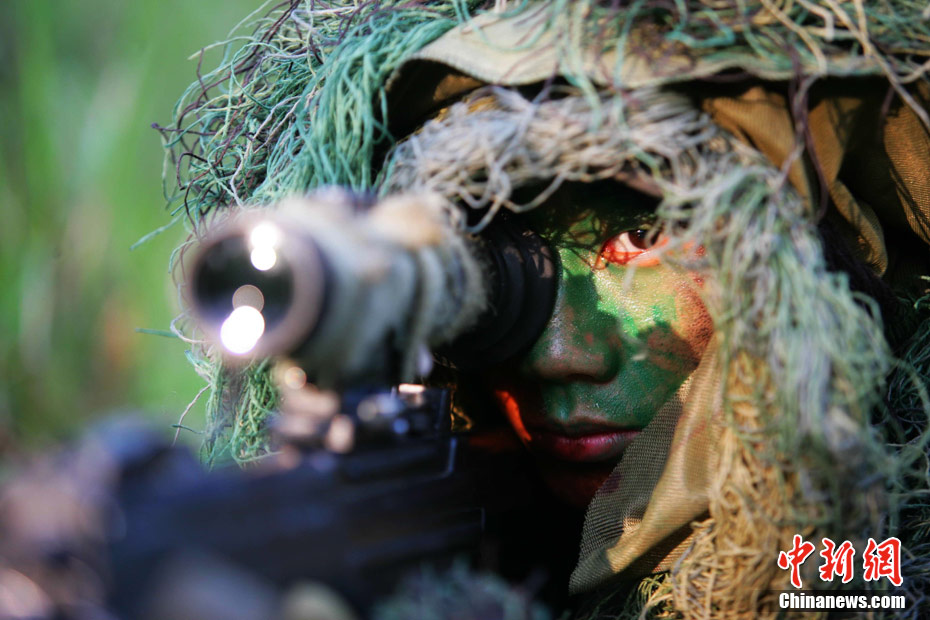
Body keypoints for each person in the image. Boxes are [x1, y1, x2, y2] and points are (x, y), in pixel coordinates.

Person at [165, 1, 930, 618]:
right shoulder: (466, 485)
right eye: (508, 268)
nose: (561, 352)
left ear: (795, 262)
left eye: (642, 235)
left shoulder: (866, 543)